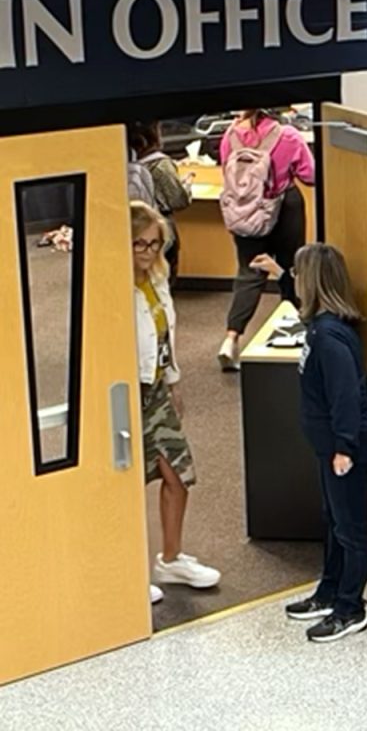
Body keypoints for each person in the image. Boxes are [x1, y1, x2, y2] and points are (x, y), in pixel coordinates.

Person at [255, 244, 367, 643]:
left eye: (297, 273)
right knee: (335, 522)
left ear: (314, 283)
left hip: (345, 450)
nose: (295, 278)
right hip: (329, 449)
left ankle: (350, 608)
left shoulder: (329, 339)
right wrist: (280, 277)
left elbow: (345, 398)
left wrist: (344, 447)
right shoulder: (322, 325)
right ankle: (329, 591)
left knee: (351, 529)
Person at [131, 201, 221, 606]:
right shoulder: (113, 288)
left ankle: (169, 559)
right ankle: (127, 569)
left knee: (178, 473)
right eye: (139, 244)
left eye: (154, 244)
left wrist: (174, 382)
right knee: (126, 483)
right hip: (126, 392)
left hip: (156, 389)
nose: (148, 253)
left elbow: (164, 338)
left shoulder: (156, 280)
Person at [217, 109, 315, 371]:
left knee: (249, 273)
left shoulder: (230, 136)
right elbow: (310, 175)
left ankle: (230, 339)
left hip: (245, 212)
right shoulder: (289, 136)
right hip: (285, 208)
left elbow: (228, 172)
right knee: (290, 268)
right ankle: (298, 335)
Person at [128, 121, 192, 281]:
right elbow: (178, 200)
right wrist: (187, 187)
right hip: (159, 224)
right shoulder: (160, 164)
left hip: (133, 228)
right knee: (161, 277)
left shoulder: (126, 163)